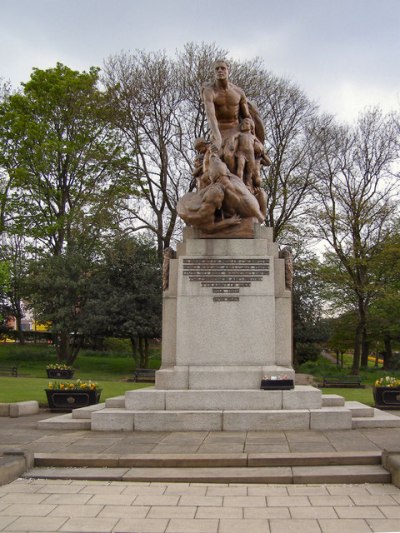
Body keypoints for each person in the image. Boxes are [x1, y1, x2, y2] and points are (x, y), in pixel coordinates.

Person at [201, 60, 251, 152]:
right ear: (214, 72)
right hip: (219, 132)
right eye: (217, 69)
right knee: (213, 161)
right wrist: (217, 138)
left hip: (237, 130)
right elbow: (210, 116)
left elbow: (246, 116)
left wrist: (250, 133)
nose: (220, 70)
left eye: (223, 68)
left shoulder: (238, 92)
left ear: (228, 70)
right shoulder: (209, 91)